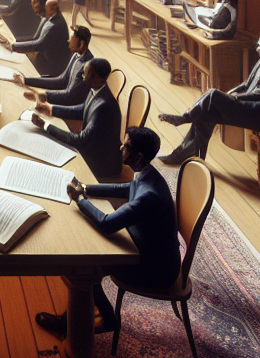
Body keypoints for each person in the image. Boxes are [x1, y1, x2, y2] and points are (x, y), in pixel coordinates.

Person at [34, 127, 180, 338]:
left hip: (155, 271)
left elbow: (107, 224)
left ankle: (95, 320)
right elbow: (126, 188)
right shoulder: (148, 174)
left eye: (126, 146)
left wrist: (79, 199)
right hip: (149, 251)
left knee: (88, 266)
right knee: (90, 260)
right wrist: (86, 188)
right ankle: (98, 316)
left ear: (139, 156)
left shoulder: (149, 196)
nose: (120, 147)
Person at [158, 32, 260, 165]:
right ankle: (193, 157)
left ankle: (184, 118)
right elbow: (246, 85)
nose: (257, 46)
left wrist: (236, 98)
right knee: (205, 112)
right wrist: (230, 94)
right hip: (249, 105)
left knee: (213, 94)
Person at [30, 57, 123, 181]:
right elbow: (82, 109)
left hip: (101, 164)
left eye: (86, 73)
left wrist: (46, 126)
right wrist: (51, 109)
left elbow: (80, 140)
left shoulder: (104, 106)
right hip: (93, 149)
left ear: (97, 78)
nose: (82, 75)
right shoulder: (97, 89)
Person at [14, 25, 93, 106]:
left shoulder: (87, 66)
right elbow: (62, 81)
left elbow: (70, 97)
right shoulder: (76, 55)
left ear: (81, 44)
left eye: (72, 39)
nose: (68, 41)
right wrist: (26, 80)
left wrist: (43, 95)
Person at [0, 0, 71, 78]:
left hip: (52, 66)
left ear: (53, 9)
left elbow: (39, 45)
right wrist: (13, 42)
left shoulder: (54, 25)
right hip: (44, 58)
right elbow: (35, 39)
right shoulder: (50, 18)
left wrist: (13, 46)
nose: (36, 10)